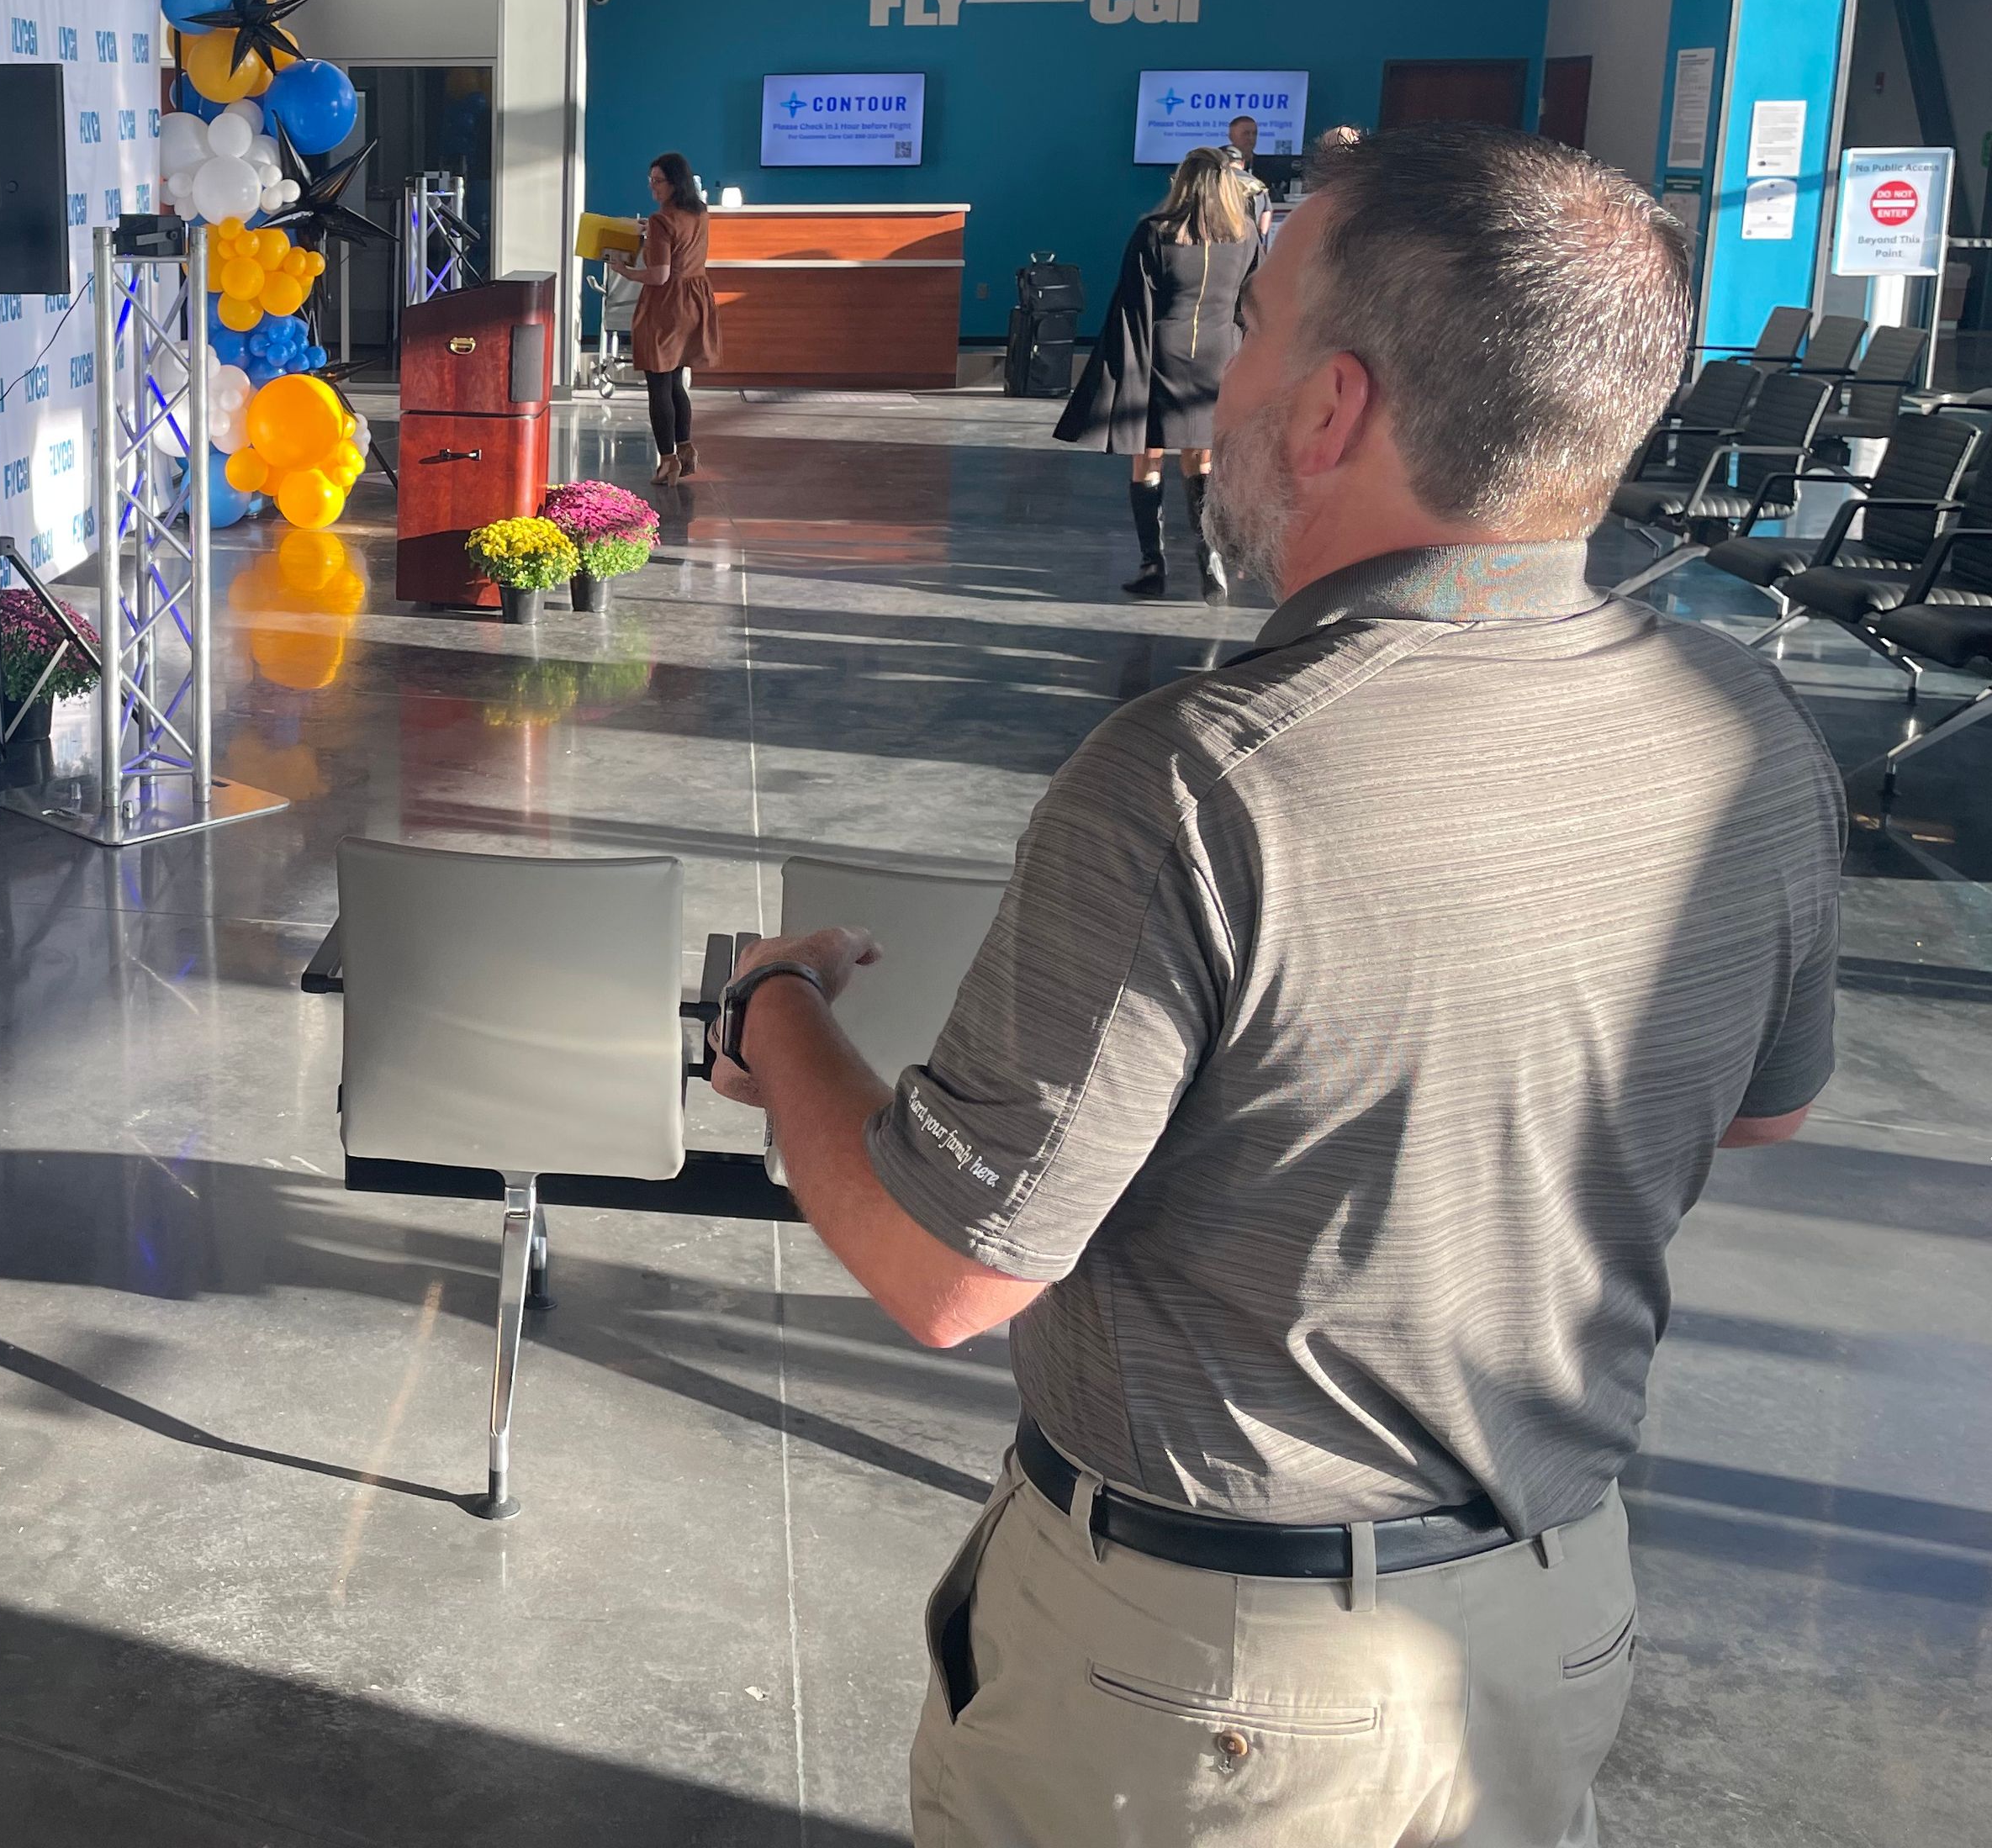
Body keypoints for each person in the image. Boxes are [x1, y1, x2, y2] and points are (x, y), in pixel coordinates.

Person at [711, 123, 1841, 1848]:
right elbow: (1765, 1102)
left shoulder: (1199, 782)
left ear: (1331, 412)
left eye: (1250, 333)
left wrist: (776, 1018)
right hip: (1552, 1618)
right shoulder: (1753, 733)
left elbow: (950, 1274)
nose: (1220, 378)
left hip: (1209, 1695)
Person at [1054, 145, 1264, 599]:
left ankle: (1153, 565)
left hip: (1162, 354)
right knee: (1201, 459)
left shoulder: (1154, 233)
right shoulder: (1246, 234)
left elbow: (1133, 305)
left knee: (1147, 458)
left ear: (1182, 181)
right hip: (1218, 354)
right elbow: (1253, 301)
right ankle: (1210, 560)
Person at [611, 150, 721, 483]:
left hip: (667, 305)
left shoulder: (661, 221)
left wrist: (625, 271)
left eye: (657, 181)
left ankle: (667, 461)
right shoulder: (700, 213)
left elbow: (658, 275)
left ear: (675, 183)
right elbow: (682, 243)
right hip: (695, 299)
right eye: (650, 181)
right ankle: (686, 449)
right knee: (675, 381)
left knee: (658, 384)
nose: (652, 188)